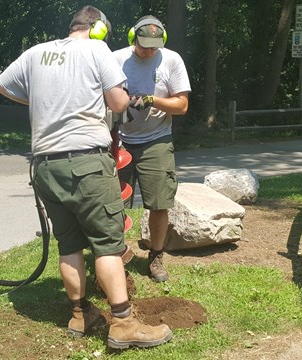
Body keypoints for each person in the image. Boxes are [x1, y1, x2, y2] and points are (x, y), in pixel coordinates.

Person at [0, 5, 172, 350]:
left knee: (70, 243)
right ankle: (123, 323)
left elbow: (1, 86)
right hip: (86, 164)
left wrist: (45, 102)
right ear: (98, 30)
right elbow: (119, 103)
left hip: (45, 166)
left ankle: (80, 314)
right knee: (107, 244)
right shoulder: (96, 48)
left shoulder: (36, 52)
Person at [113, 15, 191, 282]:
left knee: (159, 203)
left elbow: (181, 105)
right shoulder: (115, 59)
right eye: (143, 45)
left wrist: (152, 100)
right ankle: (115, 255)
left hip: (157, 139)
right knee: (113, 203)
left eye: (153, 46)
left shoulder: (171, 60)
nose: (148, 50)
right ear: (132, 38)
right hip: (120, 140)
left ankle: (156, 255)